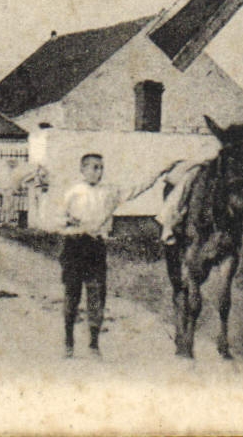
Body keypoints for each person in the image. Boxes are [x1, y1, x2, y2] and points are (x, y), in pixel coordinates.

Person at [58, 152, 176, 358]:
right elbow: (56, 217)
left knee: (97, 293)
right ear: (82, 169)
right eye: (94, 167)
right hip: (74, 246)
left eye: (101, 168)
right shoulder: (73, 192)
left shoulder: (110, 192)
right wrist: (69, 222)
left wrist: (158, 172)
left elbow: (136, 189)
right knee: (72, 294)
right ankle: (69, 341)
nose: (99, 172)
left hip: (96, 247)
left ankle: (94, 344)